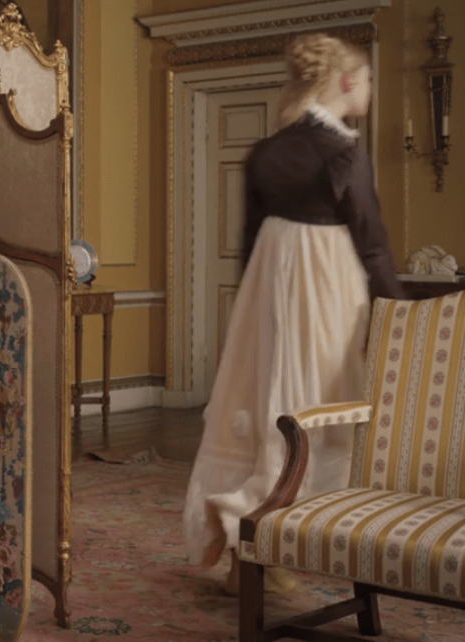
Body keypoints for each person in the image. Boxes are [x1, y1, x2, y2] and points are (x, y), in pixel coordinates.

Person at [182, 33, 407, 596]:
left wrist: (249, 319)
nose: (371, 89)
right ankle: (272, 536)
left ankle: (248, 544)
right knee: (320, 403)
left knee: (269, 403)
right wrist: (400, 322)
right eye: (369, 79)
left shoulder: (266, 152)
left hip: (267, 291)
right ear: (349, 81)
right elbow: (372, 243)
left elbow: (249, 241)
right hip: (325, 290)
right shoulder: (342, 152)